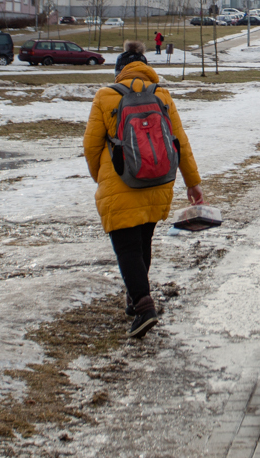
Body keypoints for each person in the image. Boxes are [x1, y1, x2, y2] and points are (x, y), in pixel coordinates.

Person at [84, 40, 204, 337]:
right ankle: (134, 296)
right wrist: (193, 182)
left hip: (121, 181)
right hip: (159, 180)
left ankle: (143, 306)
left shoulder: (105, 97)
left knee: (126, 247)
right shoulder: (162, 94)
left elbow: (91, 145)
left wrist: (99, 177)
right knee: (142, 242)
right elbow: (181, 142)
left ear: (119, 71)